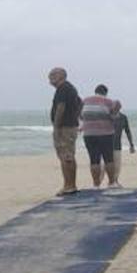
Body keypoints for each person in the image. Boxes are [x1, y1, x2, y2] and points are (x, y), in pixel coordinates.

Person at [80, 84, 122, 188]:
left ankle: (96, 184)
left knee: (94, 159)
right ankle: (112, 183)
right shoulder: (109, 102)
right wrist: (116, 110)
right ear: (105, 93)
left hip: (89, 134)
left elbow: (81, 116)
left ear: (95, 91)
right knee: (108, 158)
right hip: (105, 133)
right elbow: (113, 117)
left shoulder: (85, 101)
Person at [48, 67, 81, 195]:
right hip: (70, 125)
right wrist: (75, 116)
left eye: (53, 75)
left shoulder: (63, 88)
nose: (50, 78)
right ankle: (70, 185)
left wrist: (56, 127)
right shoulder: (70, 88)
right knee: (68, 156)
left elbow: (60, 108)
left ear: (62, 76)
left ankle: (69, 185)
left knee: (65, 156)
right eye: (50, 75)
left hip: (64, 127)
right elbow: (80, 102)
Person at [104, 86, 135, 179]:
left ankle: (115, 181)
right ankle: (99, 183)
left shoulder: (123, 117)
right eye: (114, 107)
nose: (116, 109)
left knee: (117, 165)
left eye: (118, 107)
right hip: (105, 146)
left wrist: (131, 145)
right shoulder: (106, 116)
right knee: (104, 166)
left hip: (117, 145)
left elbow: (128, 131)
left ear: (120, 107)